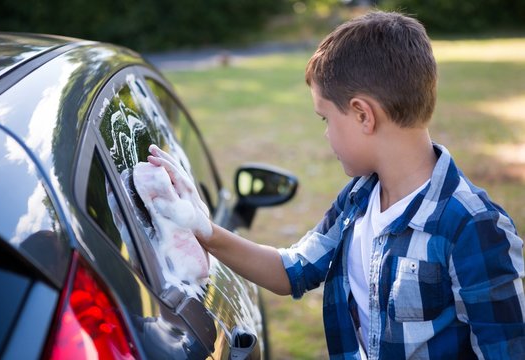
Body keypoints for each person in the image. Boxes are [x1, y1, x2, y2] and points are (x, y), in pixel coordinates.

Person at [148, 11, 525, 359]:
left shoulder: (473, 228)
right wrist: (205, 230)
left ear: (363, 114)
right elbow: (292, 270)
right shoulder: (360, 198)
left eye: (326, 119)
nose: (327, 135)